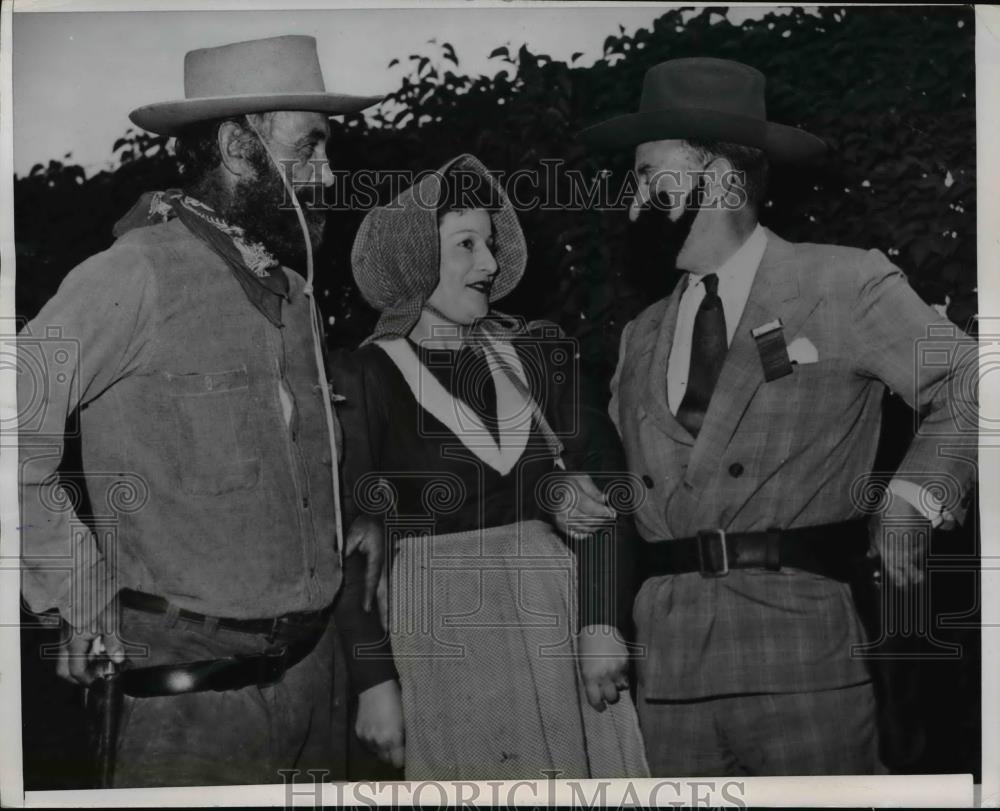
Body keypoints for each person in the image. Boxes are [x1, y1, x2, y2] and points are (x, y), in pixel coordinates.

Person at [579, 57, 977, 776]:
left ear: (722, 177)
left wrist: (914, 496)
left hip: (802, 661)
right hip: (667, 679)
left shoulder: (842, 282)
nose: (631, 199)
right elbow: (619, 500)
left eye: (647, 175)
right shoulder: (640, 336)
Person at [17, 35, 396, 787]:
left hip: (314, 683)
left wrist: (334, 519)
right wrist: (78, 589)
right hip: (191, 707)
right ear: (236, 144)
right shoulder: (133, 276)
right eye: (310, 147)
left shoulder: (292, 290)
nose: (327, 176)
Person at [331, 154, 649, 780]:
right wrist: (373, 681)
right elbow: (351, 541)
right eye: (466, 245)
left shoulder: (539, 354)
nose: (490, 264)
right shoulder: (361, 375)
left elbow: (605, 486)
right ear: (413, 258)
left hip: (556, 621)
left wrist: (602, 621)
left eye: (492, 245)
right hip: (439, 637)